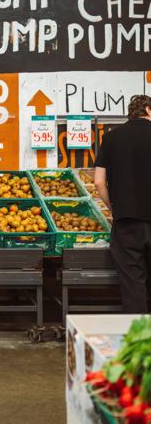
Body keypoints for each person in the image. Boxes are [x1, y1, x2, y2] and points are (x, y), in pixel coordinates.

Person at [94, 94, 151, 313]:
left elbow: (99, 182)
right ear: (147, 110)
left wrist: (114, 208)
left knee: (133, 285)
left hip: (127, 222)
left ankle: (140, 342)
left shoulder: (111, 138)